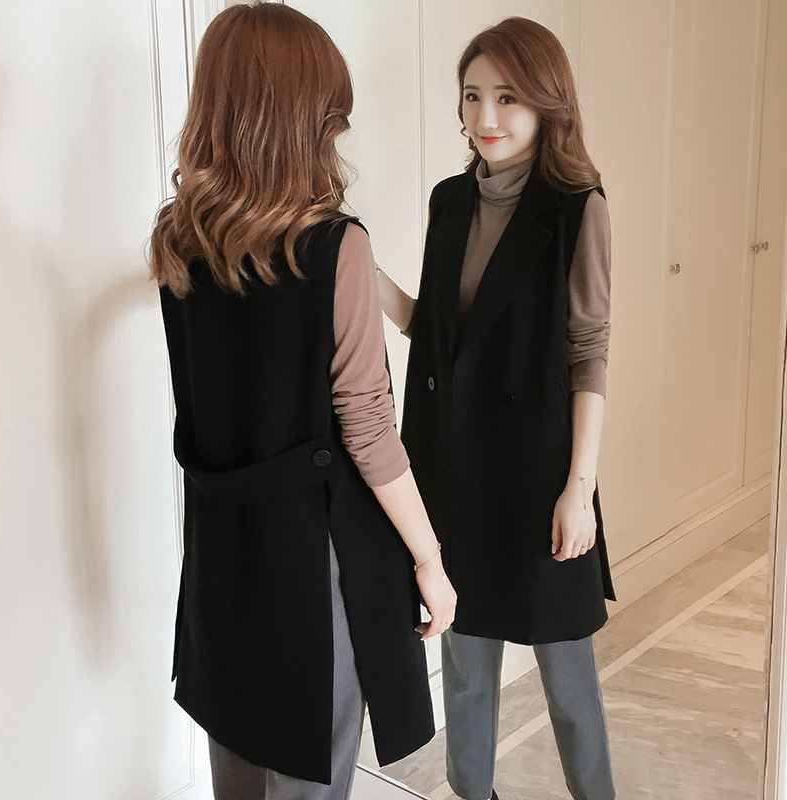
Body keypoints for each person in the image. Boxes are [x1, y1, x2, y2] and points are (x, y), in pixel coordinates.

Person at [148, 4, 456, 799]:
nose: (339, 130)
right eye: (330, 114)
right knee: (307, 774)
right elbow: (369, 429)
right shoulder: (334, 245)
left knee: (238, 759)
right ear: (298, 119)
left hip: (220, 549)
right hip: (312, 564)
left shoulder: (181, 234)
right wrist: (429, 560)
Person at [378, 17, 616, 800]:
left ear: (547, 102)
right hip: (454, 468)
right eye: (473, 95)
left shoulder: (576, 206)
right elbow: (440, 335)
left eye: (508, 97)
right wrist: (366, 278)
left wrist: (579, 487)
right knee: (466, 672)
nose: (485, 116)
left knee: (569, 680)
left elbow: (589, 350)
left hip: (541, 474)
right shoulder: (450, 202)